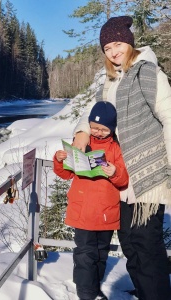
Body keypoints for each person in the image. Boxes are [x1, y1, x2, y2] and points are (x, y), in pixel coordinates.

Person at [72, 15, 171, 300]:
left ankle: (156, 294)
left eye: (118, 44)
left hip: (147, 174)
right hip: (121, 176)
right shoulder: (112, 80)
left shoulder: (149, 73)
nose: (114, 52)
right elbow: (95, 109)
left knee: (146, 243)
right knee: (129, 241)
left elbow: (168, 117)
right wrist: (81, 130)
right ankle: (144, 290)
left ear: (128, 43)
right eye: (107, 48)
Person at [54, 101, 129, 300]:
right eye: (94, 128)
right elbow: (65, 174)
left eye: (104, 129)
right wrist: (59, 160)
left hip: (106, 213)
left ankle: (93, 287)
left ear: (112, 129)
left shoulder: (116, 149)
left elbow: (123, 180)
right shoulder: (81, 145)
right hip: (83, 212)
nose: (98, 132)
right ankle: (86, 294)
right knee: (85, 254)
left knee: (101, 253)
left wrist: (114, 172)